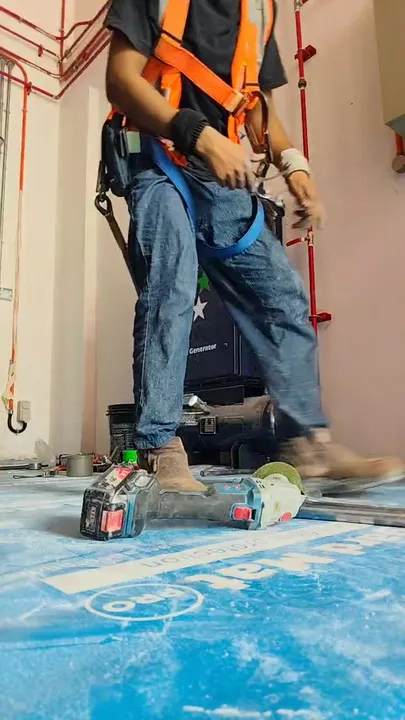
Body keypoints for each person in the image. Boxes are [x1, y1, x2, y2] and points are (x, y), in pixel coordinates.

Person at [104, 0, 403, 491]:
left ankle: (310, 445)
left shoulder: (260, 10)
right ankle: (159, 448)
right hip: (156, 160)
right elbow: (120, 79)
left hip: (220, 177)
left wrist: (293, 164)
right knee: (172, 290)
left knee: (282, 297)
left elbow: (256, 105)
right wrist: (199, 136)